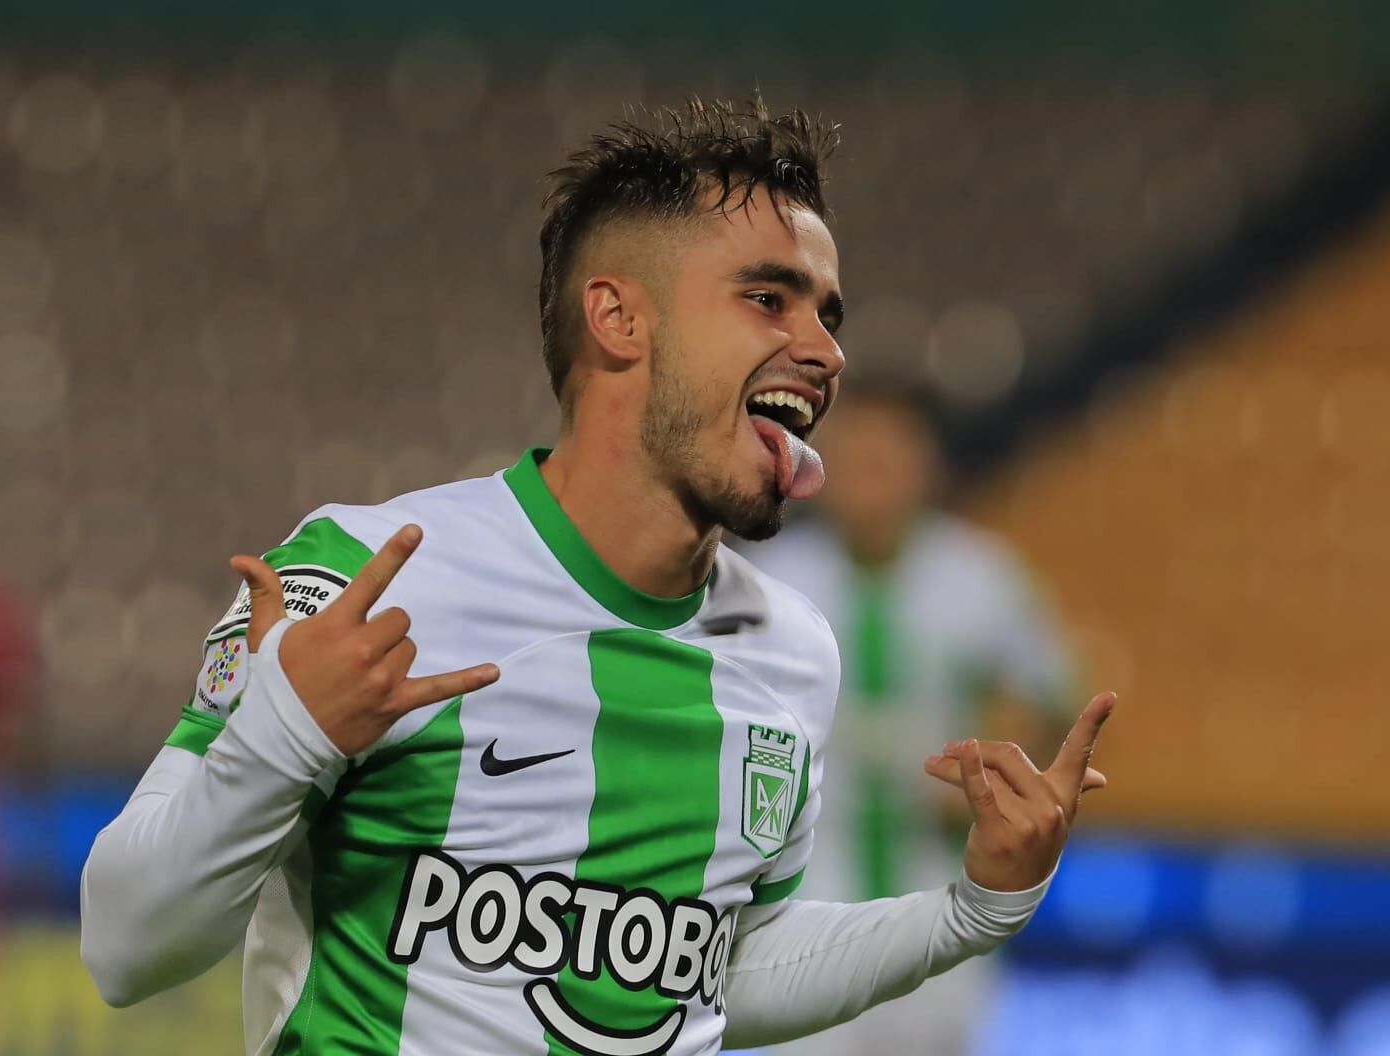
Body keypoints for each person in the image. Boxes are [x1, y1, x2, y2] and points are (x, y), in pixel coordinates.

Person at [80, 98, 1114, 1056]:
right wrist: (286, 734)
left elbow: (718, 971)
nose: (824, 351)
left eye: (828, 314)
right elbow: (126, 947)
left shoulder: (791, 654)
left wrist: (972, 910)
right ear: (619, 320)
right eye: (769, 298)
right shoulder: (363, 575)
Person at [748, 382, 1077, 1056]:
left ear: (929, 468)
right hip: (805, 889)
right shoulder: (770, 578)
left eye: (889, 458)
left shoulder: (979, 575)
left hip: (936, 882)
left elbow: (1052, 697)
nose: (871, 478)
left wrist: (1002, 772)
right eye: (856, 457)